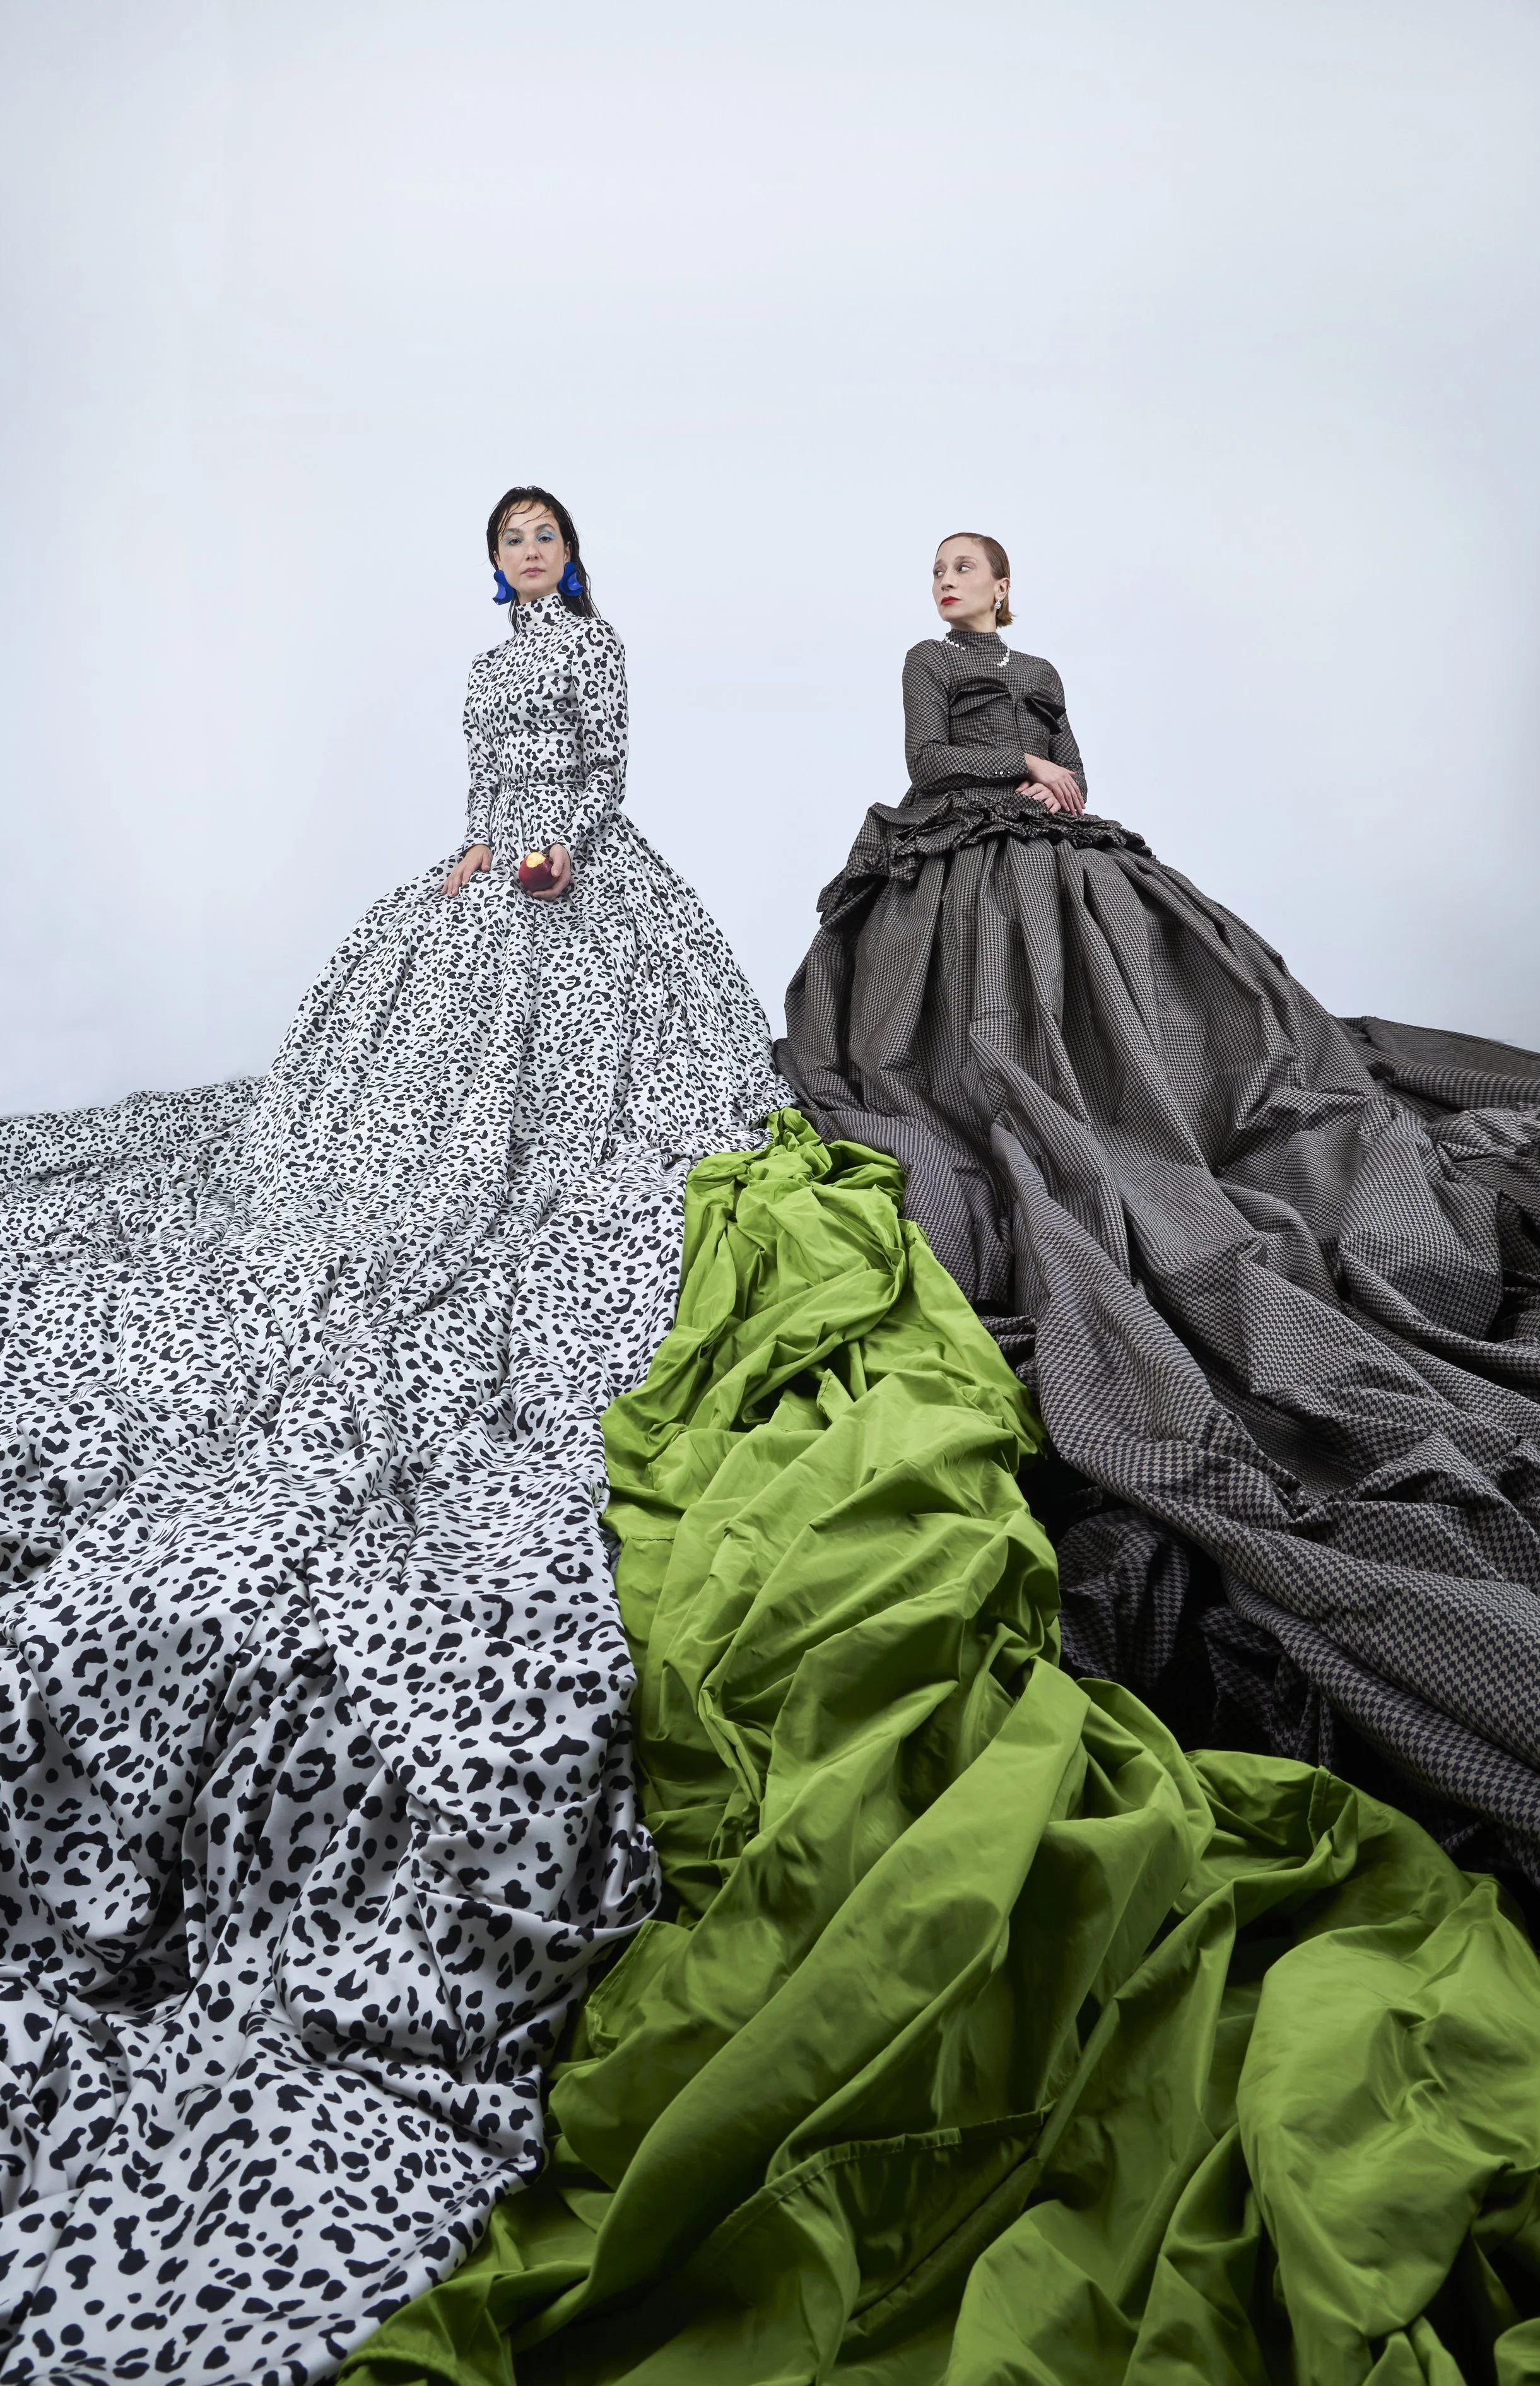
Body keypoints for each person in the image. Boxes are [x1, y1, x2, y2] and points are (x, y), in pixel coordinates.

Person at [0, 486, 783, 2383]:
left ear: (572, 559)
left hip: (580, 901)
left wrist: (540, 862)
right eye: (505, 544)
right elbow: (488, 787)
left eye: (543, 542)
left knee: (563, 1133)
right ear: (492, 565)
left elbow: (591, 785)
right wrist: (463, 863)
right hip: (478, 880)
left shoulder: (589, 655)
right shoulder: (483, 656)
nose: (525, 564)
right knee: (370, 1098)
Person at [782, 527, 1540, 2016]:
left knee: (1213, 1024)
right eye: (938, 574)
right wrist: (1011, 786)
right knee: (974, 1045)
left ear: (1003, 590)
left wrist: (1061, 786)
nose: (945, 588)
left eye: (965, 571)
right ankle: (1029, 1095)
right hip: (959, 863)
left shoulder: (1039, 669)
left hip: (1053, 849)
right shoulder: (929, 671)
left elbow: (1063, 759)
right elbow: (934, 762)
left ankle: (1166, 1119)